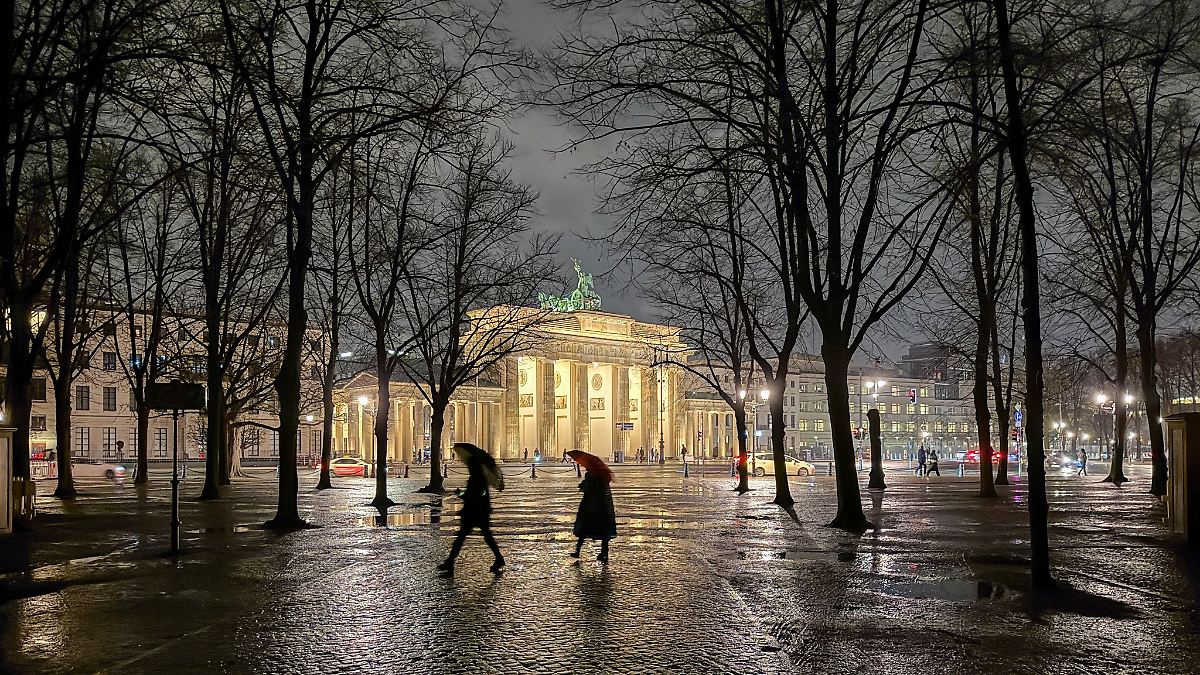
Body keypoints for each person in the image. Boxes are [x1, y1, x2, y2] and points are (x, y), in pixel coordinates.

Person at [438, 443, 505, 574]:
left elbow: (475, 495)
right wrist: (464, 494)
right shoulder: (478, 477)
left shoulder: (477, 478)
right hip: (478, 511)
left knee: (463, 537)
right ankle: (498, 558)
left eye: (469, 464)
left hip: (476, 512)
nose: (467, 465)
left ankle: (450, 562)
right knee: (483, 537)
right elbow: (476, 494)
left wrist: (461, 494)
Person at [570, 454, 617, 562]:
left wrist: (583, 484)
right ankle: (604, 552)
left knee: (584, 528)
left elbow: (586, 489)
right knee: (604, 531)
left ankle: (578, 551)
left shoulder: (592, 476)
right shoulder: (604, 476)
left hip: (591, 506)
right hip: (605, 507)